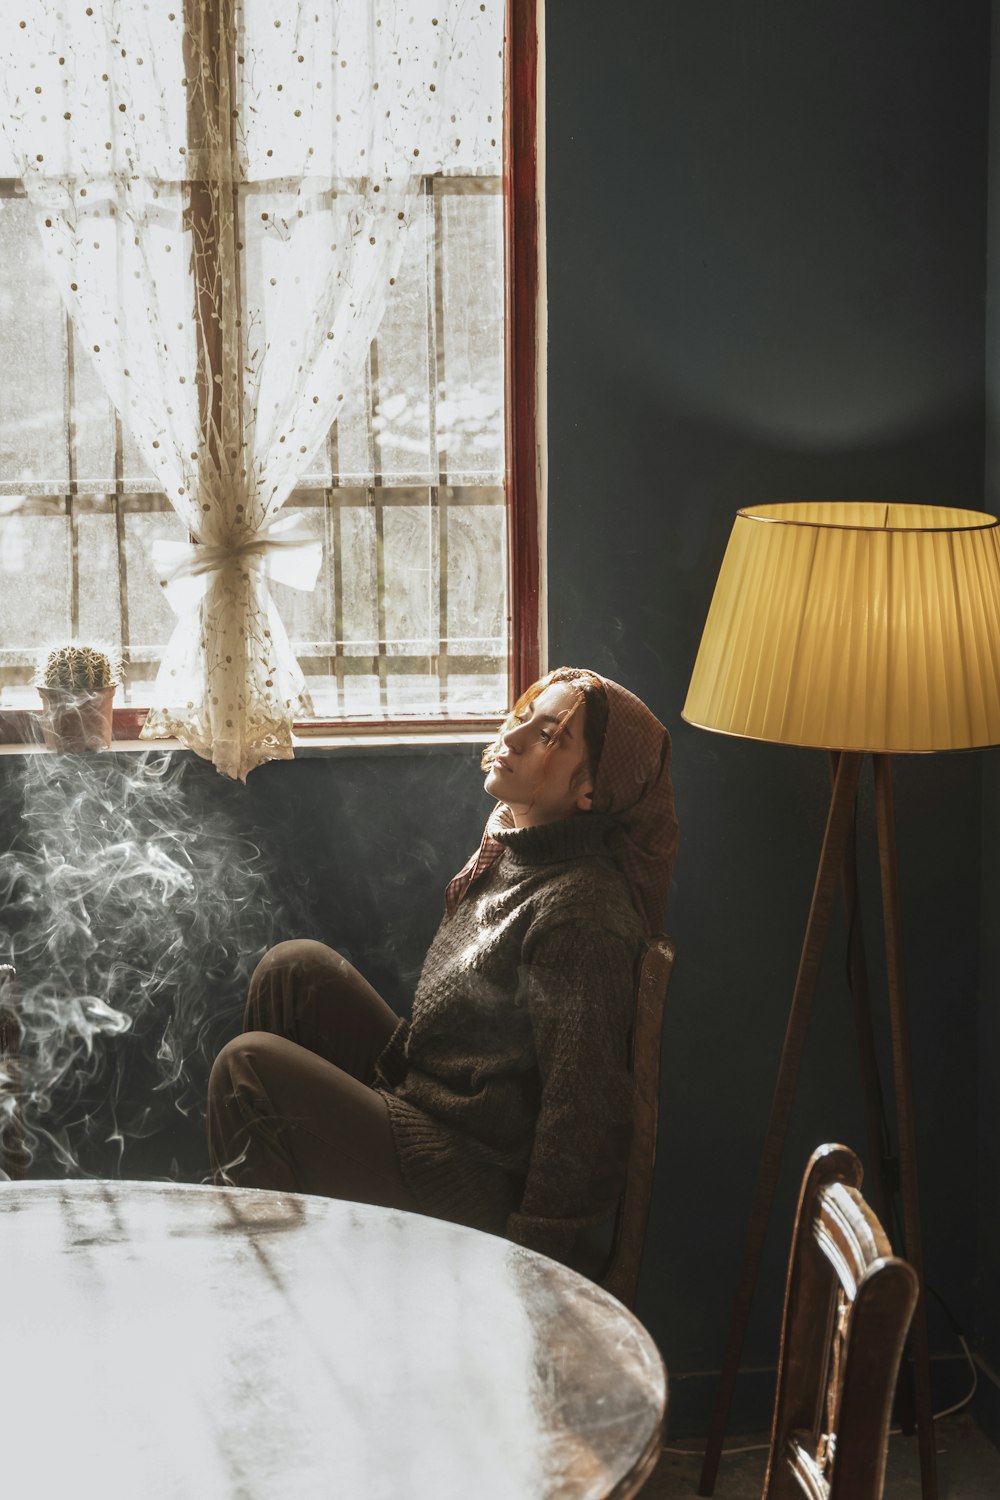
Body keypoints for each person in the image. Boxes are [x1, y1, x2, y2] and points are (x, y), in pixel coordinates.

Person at [207, 667, 678, 1265]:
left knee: (247, 1068)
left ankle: (269, 1294)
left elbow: (583, 1111)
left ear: (594, 789)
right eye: (522, 716)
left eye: (550, 734)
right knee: (295, 972)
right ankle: (300, 1262)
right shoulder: (515, 853)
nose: (512, 736)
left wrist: (532, 1259)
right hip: (432, 1111)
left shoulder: (581, 913)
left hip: (471, 1176)